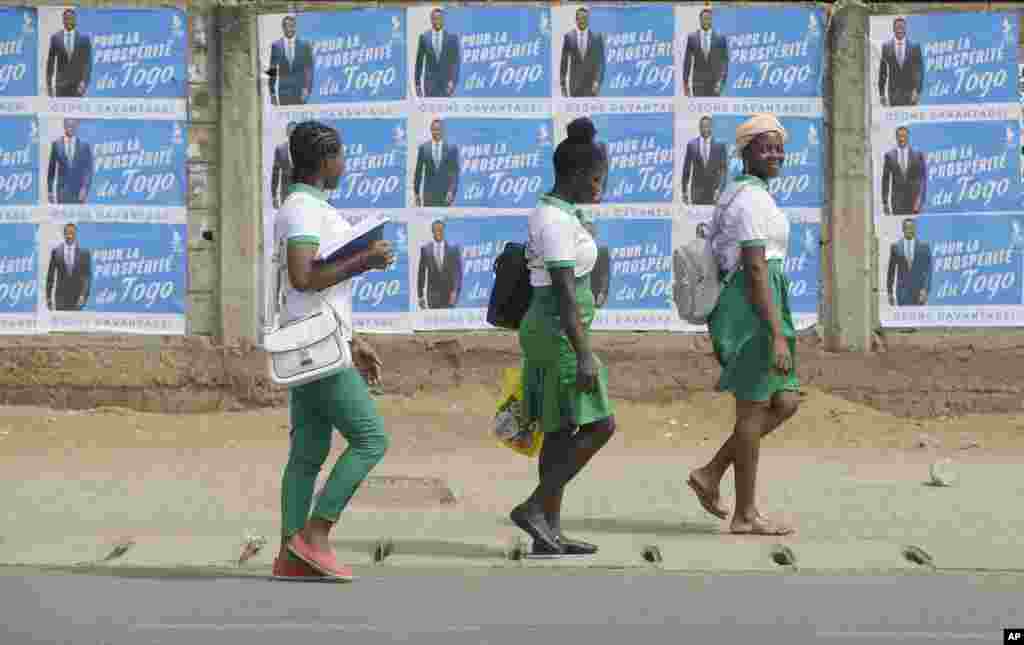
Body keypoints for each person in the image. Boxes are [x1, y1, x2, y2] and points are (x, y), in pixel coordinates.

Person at [271, 121, 395, 582]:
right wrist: (367, 259)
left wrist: (354, 340)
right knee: (370, 439)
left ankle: (289, 555)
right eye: (341, 156)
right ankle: (314, 536)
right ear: (325, 161)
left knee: (308, 450)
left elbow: (314, 289)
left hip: (316, 339)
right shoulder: (303, 209)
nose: (345, 164)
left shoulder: (306, 207)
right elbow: (304, 277)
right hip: (315, 345)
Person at [687, 113, 799, 536]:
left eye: (778, 147)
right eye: (765, 146)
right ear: (745, 151)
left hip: (762, 299)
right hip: (751, 307)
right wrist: (775, 334)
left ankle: (711, 472)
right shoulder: (750, 200)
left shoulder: (752, 193)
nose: (775, 154)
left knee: (785, 400)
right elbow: (754, 269)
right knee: (752, 409)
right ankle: (746, 515)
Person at [512, 117, 616, 557]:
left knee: (558, 431)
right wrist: (585, 354)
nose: (600, 188)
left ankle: (548, 533)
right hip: (559, 332)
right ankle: (535, 509)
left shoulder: (562, 214)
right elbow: (565, 296)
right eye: (596, 180)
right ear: (574, 176)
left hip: (555, 329)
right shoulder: (555, 221)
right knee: (600, 425)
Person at [560, 7, 605, 98]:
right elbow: (564, 62)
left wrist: (597, 82)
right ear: (576, 20)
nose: (582, 21)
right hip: (574, 86)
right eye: (580, 18)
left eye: (585, 18)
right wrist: (563, 86)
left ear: (588, 20)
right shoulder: (569, 37)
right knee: (575, 112)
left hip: (591, 86)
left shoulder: (597, 38)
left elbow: (601, 62)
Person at [682, 8, 728, 97]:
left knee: (714, 110)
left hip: (715, 84)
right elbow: (687, 61)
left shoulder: (720, 38)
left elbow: (725, 61)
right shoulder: (692, 37)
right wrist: (685, 83)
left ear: (712, 20)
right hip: (698, 84)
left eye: (708, 19)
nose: (706, 21)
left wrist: (721, 82)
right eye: (704, 19)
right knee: (698, 111)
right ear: (700, 20)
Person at [268, 16, 314, 106]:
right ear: (283, 28)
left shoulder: (305, 45)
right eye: (287, 26)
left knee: (301, 120)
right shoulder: (276, 46)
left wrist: (307, 90)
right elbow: (272, 70)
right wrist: (272, 93)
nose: (289, 29)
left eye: (292, 26)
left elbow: (309, 69)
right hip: (283, 92)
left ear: (295, 27)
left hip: (300, 92)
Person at [417, 219, 462, 309]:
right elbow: (421, 273)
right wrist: (420, 296)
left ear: (444, 231)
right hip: (432, 296)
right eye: (436, 230)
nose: (439, 232)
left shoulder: (453, 249)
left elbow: (458, 273)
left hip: (449, 296)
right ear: (432, 231)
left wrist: (455, 292)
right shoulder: (425, 249)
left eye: (441, 230)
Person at [682, 116, 728, 206]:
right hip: (696, 192)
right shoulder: (692, 144)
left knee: (714, 219)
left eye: (707, 126)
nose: (705, 129)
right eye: (702, 126)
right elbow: (686, 169)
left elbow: (723, 170)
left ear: (712, 127)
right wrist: (684, 191)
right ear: (699, 128)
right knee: (696, 219)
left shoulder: (720, 145)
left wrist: (719, 189)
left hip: (714, 192)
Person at [414, 8, 460, 98]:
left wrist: (453, 82)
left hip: (447, 86)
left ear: (443, 20)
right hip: (429, 86)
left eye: (439, 18)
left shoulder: (452, 38)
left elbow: (456, 62)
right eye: (435, 18)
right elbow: (419, 63)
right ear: (431, 20)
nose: (437, 21)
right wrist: (417, 85)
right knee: (430, 112)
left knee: (446, 111)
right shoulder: (424, 37)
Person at [46, 9, 92, 98]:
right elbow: (50, 63)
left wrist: (84, 82)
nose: (69, 21)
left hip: (77, 86)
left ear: (75, 20)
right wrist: (49, 86)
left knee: (76, 112)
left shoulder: (84, 39)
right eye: (66, 18)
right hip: (60, 86)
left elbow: (88, 63)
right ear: (63, 20)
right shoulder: (55, 38)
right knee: (60, 112)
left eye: (71, 18)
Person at [881, 126, 927, 216]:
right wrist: (885, 202)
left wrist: (920, 201)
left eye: (904, 136)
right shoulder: (889, 156)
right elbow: (885, 180)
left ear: (908, 137)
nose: (902, 139)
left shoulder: (918, 155)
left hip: (914, 202)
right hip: (897, 202)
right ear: (896, 137)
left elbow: (922, 179)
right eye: (899, 136)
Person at [414, 119, 460, 207]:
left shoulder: (451, 148)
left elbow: (455, 173)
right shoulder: (423, 148)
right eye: (434, 130)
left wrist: (451, 191)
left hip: (446, 195)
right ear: (431, 130)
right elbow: (418, 172)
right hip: (428, 195)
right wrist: (416, 193)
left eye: (438, 129)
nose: (436, 132)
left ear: (442, 130)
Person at [878, 17, 923, 107]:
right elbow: (883, 72)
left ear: (905, 29)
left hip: (910, 93)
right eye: (897, 27)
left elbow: (919, 71)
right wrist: (882, 94)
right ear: (893, 29)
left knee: (911, 119)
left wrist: (917, 91)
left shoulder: (914, 46)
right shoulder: (886, 46)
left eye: (902, 27)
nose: (899, 30)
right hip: (894, 93)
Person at [45, 222, 91, 311]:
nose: (69, 236)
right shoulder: (56, 252)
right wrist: (48, 298)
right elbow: (50, 277)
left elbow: (87, 278)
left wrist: (83, 295)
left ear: (75, 234)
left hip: (77, 299)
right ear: (64, 234)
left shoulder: (84, 254)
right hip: (60, 298)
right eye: (67, 233)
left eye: (72, 233)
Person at [886, 218, 931, 307]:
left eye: (911, 228)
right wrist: (890, 292)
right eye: (907, 228)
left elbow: (928, 271)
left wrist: (925, 290)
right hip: (902, 293)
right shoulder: (896, 247)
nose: (909, 230)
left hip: (919, 293)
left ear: (915, 229)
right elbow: (891, 271)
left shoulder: (924, 247)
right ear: (903, 229)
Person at [47, 119, 93, 204]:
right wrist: (49, 191)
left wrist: (85, 188)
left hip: (79, 193)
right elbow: (51, 170)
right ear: (64, 126)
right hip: (62, 192)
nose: (71, 128)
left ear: (77, 127)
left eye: (73, 126)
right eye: (69, 126)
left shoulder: (84, 146)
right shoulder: (56, 144)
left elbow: (88, 170)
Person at [583, 221, 610, 308]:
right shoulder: (573, 252)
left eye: (589, 233)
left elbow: (605, 275)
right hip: (578, 296)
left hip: (595, 296)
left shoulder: (602, 252)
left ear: (594, 235)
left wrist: (603, 293)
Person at [271, 122, 297, 209]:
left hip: (300, 192)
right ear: (286, 133)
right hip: (285, 192)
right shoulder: (280, 149)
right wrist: (274, 196)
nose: (292, 134)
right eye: (290, 131)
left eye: (294, 132)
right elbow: (275, 173)